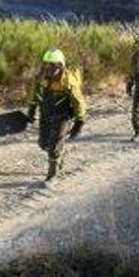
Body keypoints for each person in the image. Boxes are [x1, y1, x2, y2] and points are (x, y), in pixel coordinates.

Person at [28, 48, 87, 182]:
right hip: (46, 113)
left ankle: (52, 176)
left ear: (60, 66)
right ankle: (60, 152)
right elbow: (36, 93)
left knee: (54, 147)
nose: (49, 69)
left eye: (53, 65)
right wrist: (32, 108)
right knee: (44, 144)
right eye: (47, 65)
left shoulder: (68, 80)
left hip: (62, 115)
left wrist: (79, 122)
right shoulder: (41, 77)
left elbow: (79, 102)